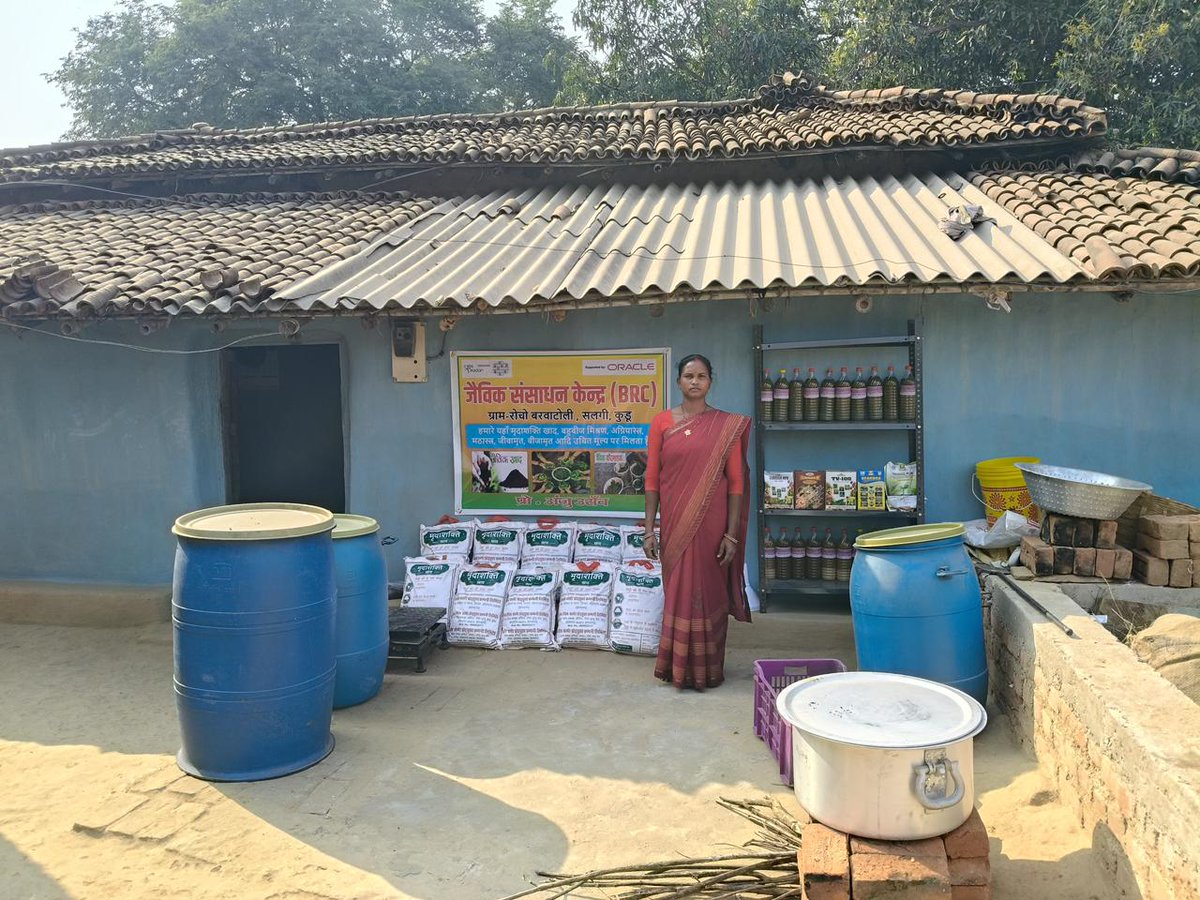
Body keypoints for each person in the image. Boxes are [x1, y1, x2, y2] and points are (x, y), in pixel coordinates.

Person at [642, 354, 751, 690]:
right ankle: (676, 668)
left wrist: (731, 535)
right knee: (678, 590)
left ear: (710, 382)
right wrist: (649, 529)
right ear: (678, 381)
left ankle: (708, 669)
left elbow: (735, 483)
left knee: (707, 589)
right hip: (675, 523)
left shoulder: (725, 426)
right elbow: (651, 479)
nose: (694, 382)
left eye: (701, 376)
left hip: (713, 525)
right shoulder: (661, 422)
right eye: (689, 375)